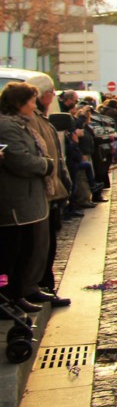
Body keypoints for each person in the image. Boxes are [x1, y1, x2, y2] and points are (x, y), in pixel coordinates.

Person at [0, 82, 55, 314]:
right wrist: (45, 165)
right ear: (19, 103)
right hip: (16, 201)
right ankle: (8, 296)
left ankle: (20, 292)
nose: (34, 105)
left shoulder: (20, 125)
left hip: (28, 199)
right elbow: (19, 160)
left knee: (26, 250)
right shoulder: (7, 127)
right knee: (11, 254)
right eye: (32, 101)